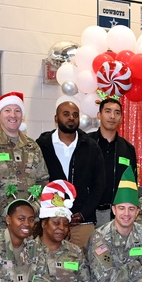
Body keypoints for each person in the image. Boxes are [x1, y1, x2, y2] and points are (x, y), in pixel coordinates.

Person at [0, 92, 48, 239]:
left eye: (17, 110)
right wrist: (9, 210)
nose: (13, 115)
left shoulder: (32, 146)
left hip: (29, 225)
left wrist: (32, 210)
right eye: (7, 110)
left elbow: (43, 181)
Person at [36, 97, 105, 249]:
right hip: (51, 223)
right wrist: (51, 213)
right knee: (51, 267)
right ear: (56, 118)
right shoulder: (41, 146)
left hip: (82, 222)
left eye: (75, 114)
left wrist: (82, 214)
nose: (71, 118)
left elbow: (99, 185)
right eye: (66, 114)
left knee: (81, 267)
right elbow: (36, 183)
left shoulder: (91, 147)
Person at [89, 97, 138, 226]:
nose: (112, 116)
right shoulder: (86, 143)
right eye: (108, 111)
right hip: (89, 213)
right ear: (99, 115)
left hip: (117, 214)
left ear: (121, 118)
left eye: (117, 113)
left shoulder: (128, 149)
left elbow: (133, 182)